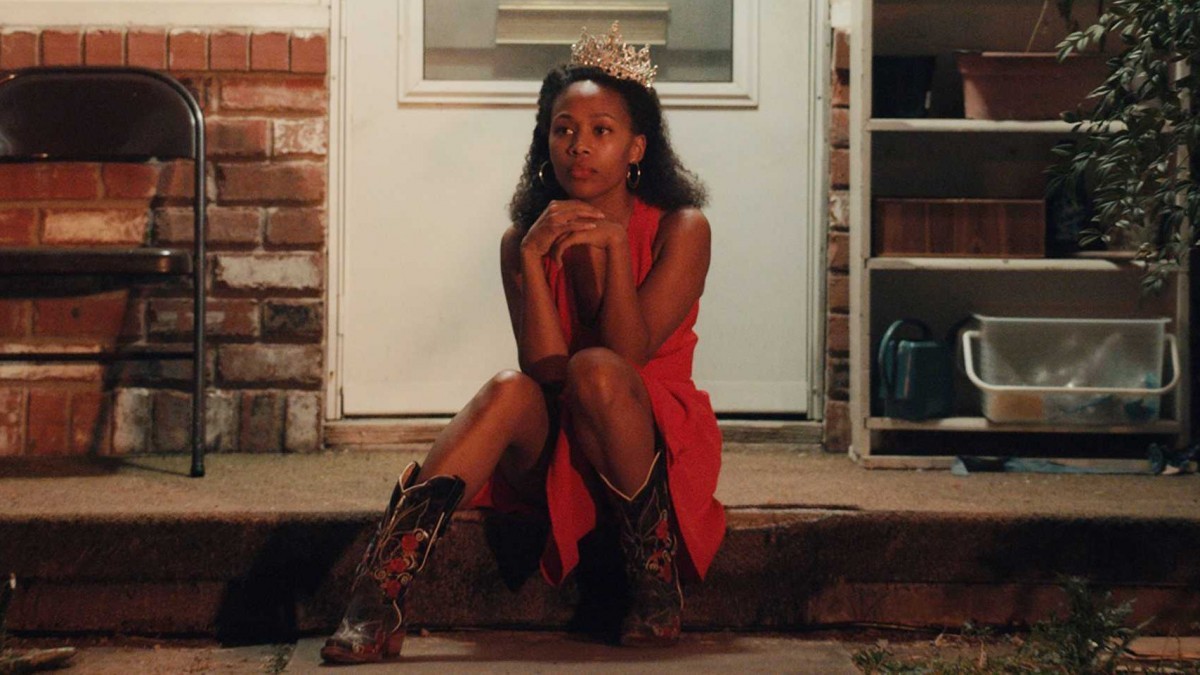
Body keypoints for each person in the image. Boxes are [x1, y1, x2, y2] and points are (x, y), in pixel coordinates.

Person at [320, 22, 726, 664]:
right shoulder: (523, 239)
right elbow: (545, 371)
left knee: (597, 368)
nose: (579, 146)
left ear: (636, 148)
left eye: (601, 131)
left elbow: (627, 358)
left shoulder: (682, 228)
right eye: (563, 129)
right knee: (509, 390)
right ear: (545, 141)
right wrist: (534, 260)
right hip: (562, 437)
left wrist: (615, 247)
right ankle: (377, 597)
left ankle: (655, 583)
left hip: (646, 441)